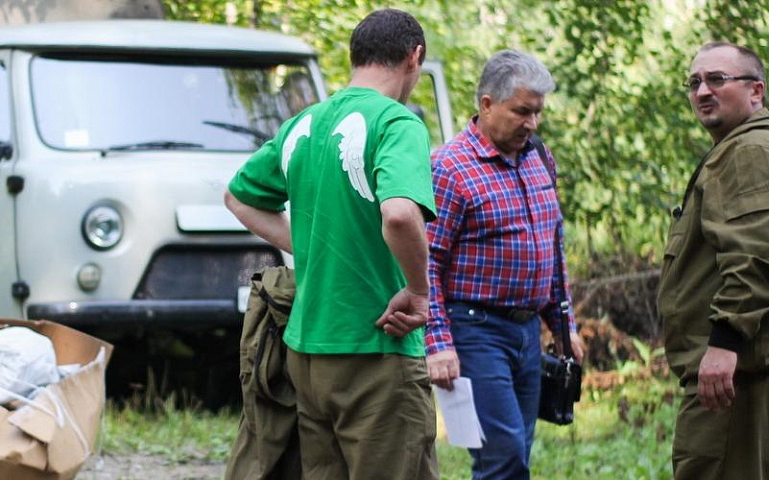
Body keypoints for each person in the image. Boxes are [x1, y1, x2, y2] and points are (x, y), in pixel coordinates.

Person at [224, 8, 439, 479]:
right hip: (376, 349)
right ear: (413, 57)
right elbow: (400, 214)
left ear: (356, 57)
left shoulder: (305, 123)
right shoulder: (396, 123)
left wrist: (310, 245)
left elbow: (237, 197)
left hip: (307, 352)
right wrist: (420, 291)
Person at [658, 41, 769, 480]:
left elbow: (757, 254)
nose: (702, 91)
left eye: (717, 79)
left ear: (757, 91)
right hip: (760, 369)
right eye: (694, 83)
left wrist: (724, 343)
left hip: (743, 373)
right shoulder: (755, 147)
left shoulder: (752, 151)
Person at [422, 49, 584, 479]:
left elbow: (552, 246)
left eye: (537, 113)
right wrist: (438, 344)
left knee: (518, 453)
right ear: (487, 104)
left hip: (527, 332)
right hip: (474, 331)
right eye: (522, 112)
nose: (531, 123)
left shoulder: (538, 158)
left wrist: (564, 325)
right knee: (503, 456)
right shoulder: (450, 168)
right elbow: (426, 262)